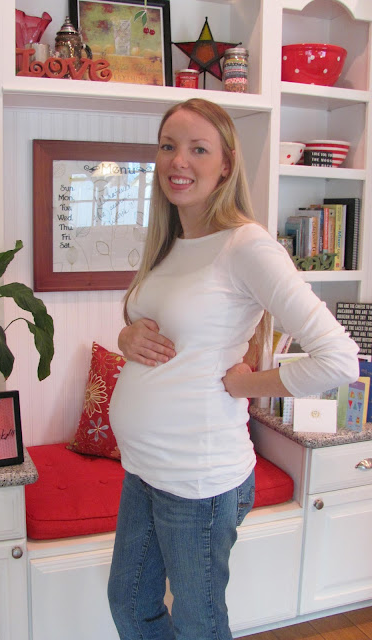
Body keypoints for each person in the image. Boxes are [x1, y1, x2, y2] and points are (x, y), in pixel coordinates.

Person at [107, 98, 359, 640]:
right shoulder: (170, 241)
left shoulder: (246, 245)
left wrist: (246, 384)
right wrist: (128, 335)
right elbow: (165, 324)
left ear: (226, 165)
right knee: (129, 604)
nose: (179, 160)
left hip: (198, 478)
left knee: (198, 625)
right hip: (145, 469)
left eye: (198, 149)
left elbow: (337, 358)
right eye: (169, 145)